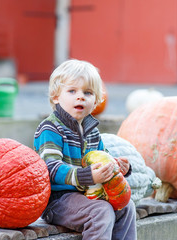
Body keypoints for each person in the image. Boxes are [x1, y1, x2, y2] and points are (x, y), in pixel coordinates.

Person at [34, 59, 137, 240]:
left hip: (87, 195)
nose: (80, 96)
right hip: (57, 200)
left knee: (126, 207)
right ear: (56, 96)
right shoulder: (50, 128)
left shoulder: (92, 132)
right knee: (101, 211)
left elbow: (103, 159)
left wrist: (116, 167)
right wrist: (87, 176)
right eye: (72, 91)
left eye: (87, 93)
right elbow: (51, 168)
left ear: (96, 100)